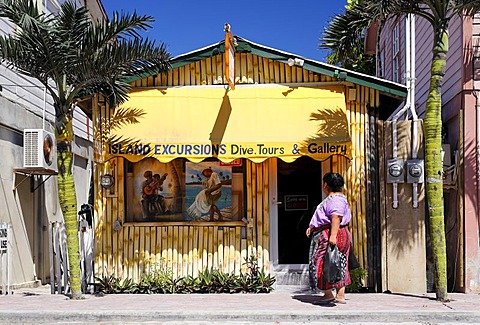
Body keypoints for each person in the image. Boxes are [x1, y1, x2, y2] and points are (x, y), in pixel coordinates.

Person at [306, 172, 352, 304]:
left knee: (323, 261)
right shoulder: (339, 198)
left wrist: (332, 235)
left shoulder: (335, 200)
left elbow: (335, 217)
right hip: (339, 232)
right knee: (340, 260)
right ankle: (340, 294)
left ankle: (328, 293)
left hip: (332, 232)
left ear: (326, 185)